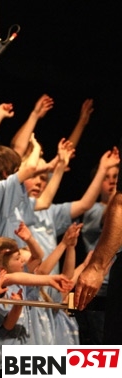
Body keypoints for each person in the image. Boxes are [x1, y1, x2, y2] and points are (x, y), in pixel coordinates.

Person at [75, 140, 122, 344]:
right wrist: (117, 193)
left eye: (116, 177)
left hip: (109, 281)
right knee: (101, 341)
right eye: (107, 178)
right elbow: (113, 213)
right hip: (100, 284)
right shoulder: (95, 210)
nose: (112, 181)